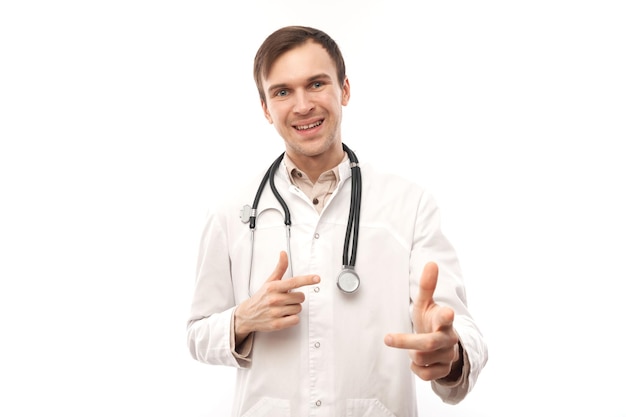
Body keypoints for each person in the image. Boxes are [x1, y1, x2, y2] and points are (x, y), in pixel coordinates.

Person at [187, 25, 488, 417]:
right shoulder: (230, 211)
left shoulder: (409, 204)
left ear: (344, 90)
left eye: (316, 84)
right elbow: (197, 333)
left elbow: (459, 328)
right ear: (265, 108)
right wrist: (241, 319)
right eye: (282, 92)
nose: (302, 105)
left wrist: (450, 353)